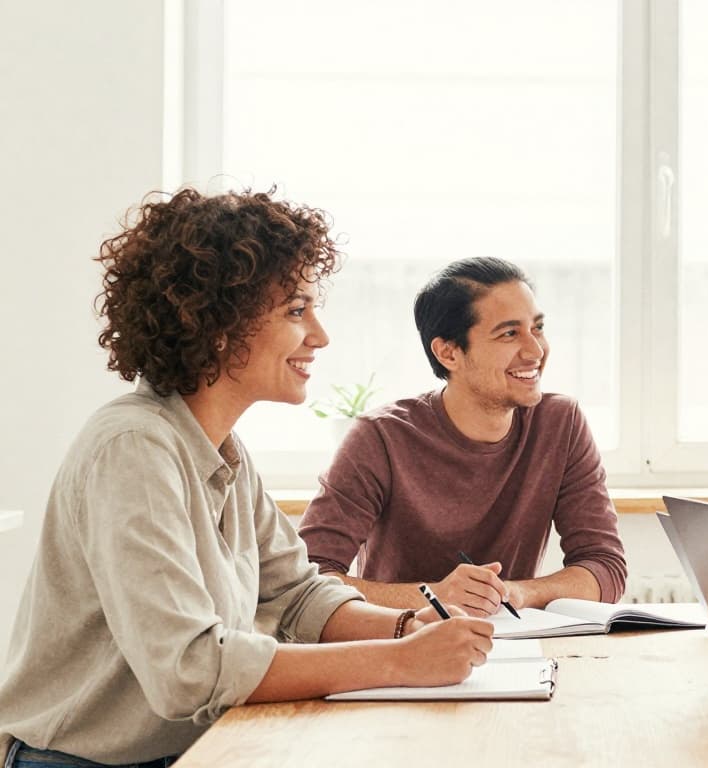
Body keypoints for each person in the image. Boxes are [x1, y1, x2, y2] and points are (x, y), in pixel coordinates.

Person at [0, 189, 495, 768]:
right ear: (216, 325)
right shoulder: (134, 449)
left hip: (196, 749)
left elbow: (296, 595)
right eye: (295, 310)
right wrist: (403, 659)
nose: (320, 334)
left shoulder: (221, 449)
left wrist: (408, 627)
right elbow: (190, 670)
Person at [299, 257, 627, 615]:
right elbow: (310, 581)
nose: (535, 350)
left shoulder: (561, 423)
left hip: (515, 649)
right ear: (449, 352)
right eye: (509, 333)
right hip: (398, 652)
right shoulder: (379, 438)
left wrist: (517, 593)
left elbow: (605, 568)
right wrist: (437, 596)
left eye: (537, 328)